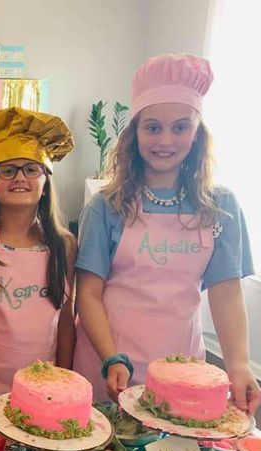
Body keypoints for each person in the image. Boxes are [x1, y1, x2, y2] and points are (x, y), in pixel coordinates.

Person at [74, 54, 259, 412]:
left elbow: (226, 292)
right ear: (135, 133)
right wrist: (111, 357)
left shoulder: (221, 205)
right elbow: (89, 296)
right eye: (153, 127)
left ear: (198, 132)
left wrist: (238, 363)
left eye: (180, 127)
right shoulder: (106, 206)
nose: (166, 140)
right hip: (108, 365)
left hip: (182, 370)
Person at [0, 107, 77, 407]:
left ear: (45, 184)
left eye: (31, 169)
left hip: (45, 396)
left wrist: (61, 388)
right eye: (7, 170)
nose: (19, 177)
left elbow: (65, 325)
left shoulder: (64, 246)